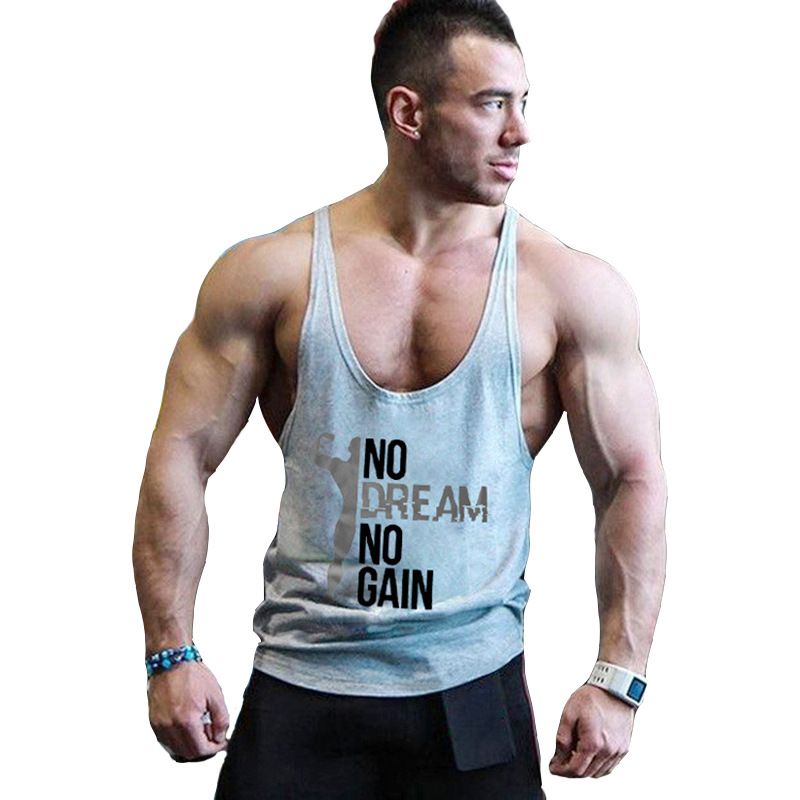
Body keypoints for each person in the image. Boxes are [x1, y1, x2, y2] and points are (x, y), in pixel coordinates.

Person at [132, 1, 667, 797]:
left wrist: (618, 677)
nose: (520, 132)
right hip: (302, 690)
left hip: (473, 694)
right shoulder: (274, 272)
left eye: (524, 102)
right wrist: (170, 652)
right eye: (492, 104)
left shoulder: (566, 288)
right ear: (409, 113)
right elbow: (181, 453)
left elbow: (630, 477)